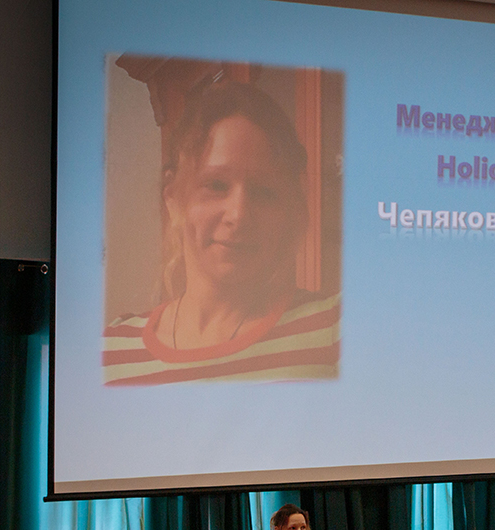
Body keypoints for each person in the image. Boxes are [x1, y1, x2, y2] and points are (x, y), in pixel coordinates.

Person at [103, 79, 340, 385]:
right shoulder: (110, 353)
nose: (238, 215)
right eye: (216, 185)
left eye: (264, 191)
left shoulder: (335, 330)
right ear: (173, 200)